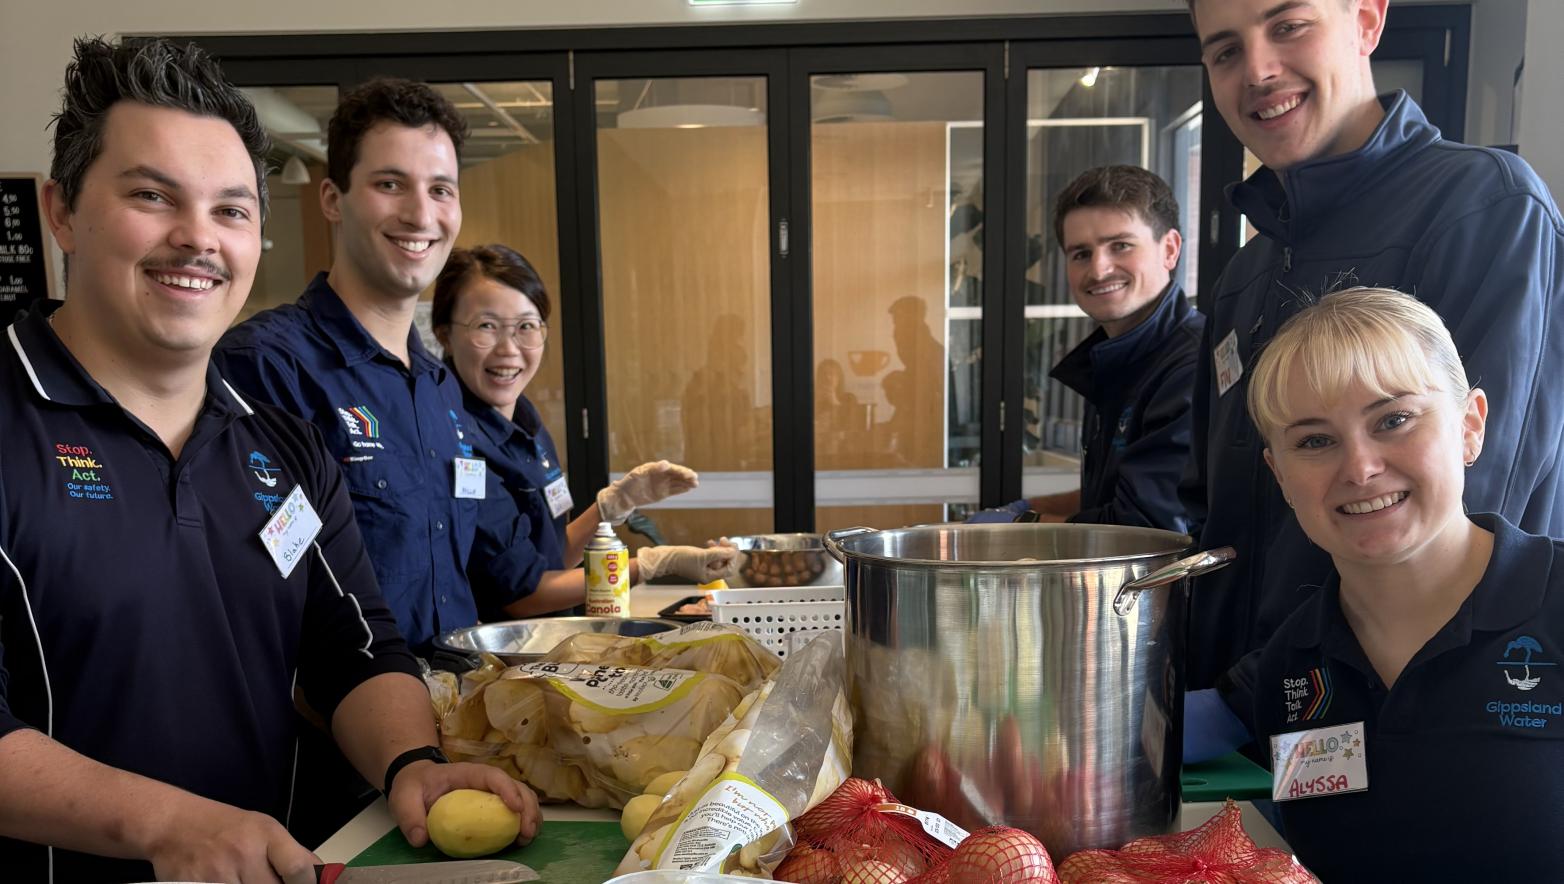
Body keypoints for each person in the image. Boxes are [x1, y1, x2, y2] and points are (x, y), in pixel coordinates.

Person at [0, 37, 538, 883]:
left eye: (232, 210)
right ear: (63, 209)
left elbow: (354, 647)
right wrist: (166, 825)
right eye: (152, 196)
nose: (197, 239)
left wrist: (409, 764)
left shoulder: (281, 445)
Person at [1180, 0, 1564, 690]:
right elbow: (1218, 511)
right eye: (1225, 51)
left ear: (1366, 20)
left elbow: (1478, 502)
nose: (1259, 71)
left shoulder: (1485, 209)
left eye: (1288, 26)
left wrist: (1259, 693)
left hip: (1430, 704)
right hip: (1262, 714)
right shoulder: (1246, 273)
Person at [1221, 286, 1564, 880]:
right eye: (1314, 441)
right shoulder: (1291, 668)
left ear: (1470, 426)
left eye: (1394, 420)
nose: (1359, 468)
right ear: (1279, 473)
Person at [431, 244, 738, 615]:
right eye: (486, 326)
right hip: (495, 652)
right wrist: (655, 564)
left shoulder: (526, 424)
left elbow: (551, 558)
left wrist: (610, 508)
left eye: (527, 326)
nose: (509, 350)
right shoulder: (454, 440)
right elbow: (522, 594)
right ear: (444, 333)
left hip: (547, 639)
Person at [974, 165, 1203, 532]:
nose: (1098, 270)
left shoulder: (1190, 369)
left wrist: (1021, 523)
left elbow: (1143, 530)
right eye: (1080, 253)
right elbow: (1110, 495)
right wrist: (1026, 506)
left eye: (1121, 246)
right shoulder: (1123, 362)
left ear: (1170, 249)